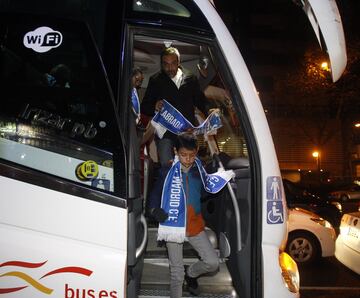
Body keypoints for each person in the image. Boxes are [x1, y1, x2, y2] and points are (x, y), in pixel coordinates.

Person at [147, 135, 219, 298]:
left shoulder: (199, 170)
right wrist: (153, 210)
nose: (187, 159)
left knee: (212, 262)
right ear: (175, 151)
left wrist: (218, 180)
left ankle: (191, 273)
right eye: (183, 155)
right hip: (172, 224)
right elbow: (155, 194)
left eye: (192, 155)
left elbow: (205, 192)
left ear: (197, 152)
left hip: (194, 223)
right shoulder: (167, 170)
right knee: (176, 274)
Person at [141, 47, 211, 166]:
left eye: (173, 63)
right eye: (166, 64)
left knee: (188, 167)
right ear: (162, 64)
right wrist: (154, 106)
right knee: (166, 166)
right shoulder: (155, 80)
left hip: (186, 133)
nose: (169, 68)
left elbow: (201, 101)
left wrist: (210, 112)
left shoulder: (191, 78)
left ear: (179, 62)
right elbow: (144, 107)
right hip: (165, 134)